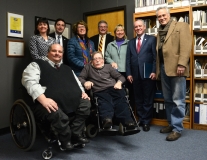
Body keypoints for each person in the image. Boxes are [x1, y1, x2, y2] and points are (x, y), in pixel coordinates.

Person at [22, 43, 91, 150]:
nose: (57, 54)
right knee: (56, 112)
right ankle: (65, 139)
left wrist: (83, 92)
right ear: (48, 52)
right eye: (54, 51)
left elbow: (77, 83)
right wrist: (43, 99)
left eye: (60, 52)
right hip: (46, 103)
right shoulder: (36, 64)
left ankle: (76, 133)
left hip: (70, 101)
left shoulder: (67, 68)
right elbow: (29, 82)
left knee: (86, 104)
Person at [156, 7, 192, 141]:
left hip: (177, 68)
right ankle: (171, 124)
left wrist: (182, 63)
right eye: (159, 16)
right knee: (168, 99)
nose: (162, 18)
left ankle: (177, 129)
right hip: (164, 68)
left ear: (169, 15)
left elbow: (186, 45)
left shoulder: (181, 26)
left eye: (164, 15)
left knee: (178, 100)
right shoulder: (159, 31)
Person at [78, 51, 135, 129]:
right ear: (92, 61)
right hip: (99, 90)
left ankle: (127, 121)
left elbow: (121, 77)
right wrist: (85, 82)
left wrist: (119, 83)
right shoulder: (87, 67)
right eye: (95, 59)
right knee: (105, 101)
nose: (97, 60)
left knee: (121, 101)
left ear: (103, 60)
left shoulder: (108, 67)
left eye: (99, 58)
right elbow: (80, 78)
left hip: (114, 88)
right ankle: (107, 120)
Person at [126, 19, 156, 132]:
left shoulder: (152, 39)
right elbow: (128, 59)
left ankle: (146, 122)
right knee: (138, 98)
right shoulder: (131, 42)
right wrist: (128, 73)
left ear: (144, 27)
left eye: (140, 26)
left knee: (147, 98)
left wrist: (154, 71)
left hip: (148, 73)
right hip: (135, 74)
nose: (138, 28)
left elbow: (155, 57)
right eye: (136, 27)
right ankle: (140, 118)